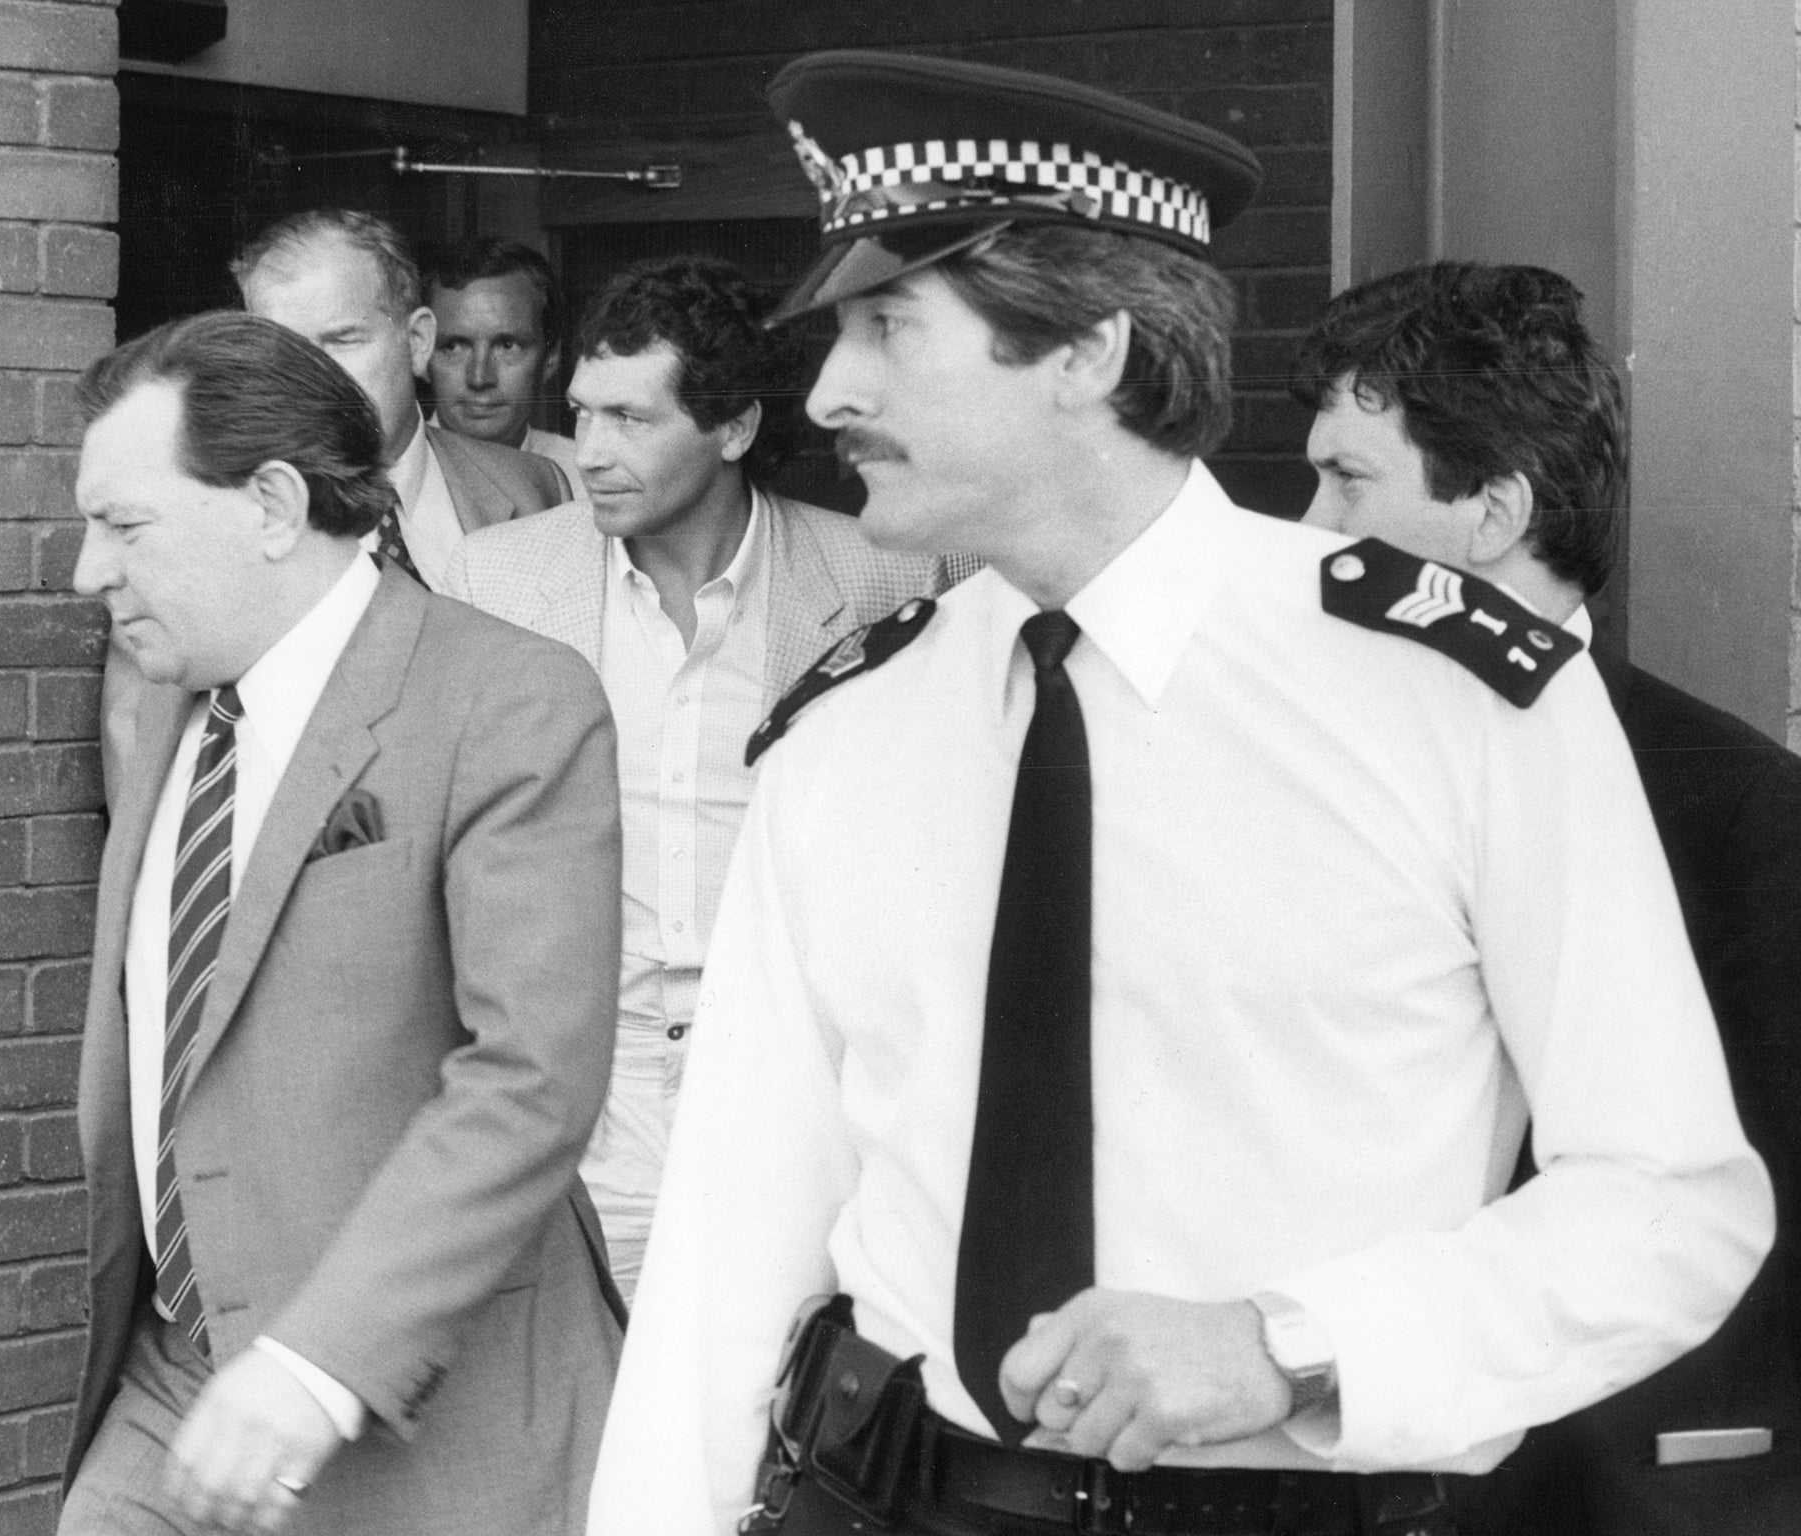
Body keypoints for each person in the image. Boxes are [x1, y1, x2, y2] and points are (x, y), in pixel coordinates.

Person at [587, 50, 1773, 1536]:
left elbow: (1672, 1208)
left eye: (889, 325)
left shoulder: (1455, 700)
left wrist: (1289, 1343)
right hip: (889, 1494)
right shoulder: (848, 730)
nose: (829, 390)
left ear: (1086, 349)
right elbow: (726, 1250)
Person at [59, 310, 622, 1536]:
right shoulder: (164, 713)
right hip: (175, 1380)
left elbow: (531, 1077)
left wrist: (315, 1364)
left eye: (124, 524)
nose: (87, 571)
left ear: (269, 504)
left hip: (420, 1411)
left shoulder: (507, 702)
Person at [1295, 259, 1801, 1534]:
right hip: (1323, 1467)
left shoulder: (1742, 806)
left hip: (1613, 1488)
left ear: (1493, 509)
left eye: (1345, 480)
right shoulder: (1300, 770)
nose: (1302, 531)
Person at [438, 254, 954, 1304]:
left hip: (790, 1070)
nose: (592, 454)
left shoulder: (884, 575)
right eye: (581, 416)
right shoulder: (495, 580)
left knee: (779, 1382)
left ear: (731, 430)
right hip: (588, 1076)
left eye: (632, 420)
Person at [98, 211, 569, 798]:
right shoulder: (195, 522)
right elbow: (144, 767)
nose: (312, 378)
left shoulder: (532, 487)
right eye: (283, 351)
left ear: (418, 340)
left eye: (342, 340)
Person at [426, 236, 581, 480]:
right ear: (420, 353)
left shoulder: (587, 484)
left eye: (507, 345)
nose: (479, 378)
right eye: (453, 346)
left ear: (550, 358)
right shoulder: (377, 483)